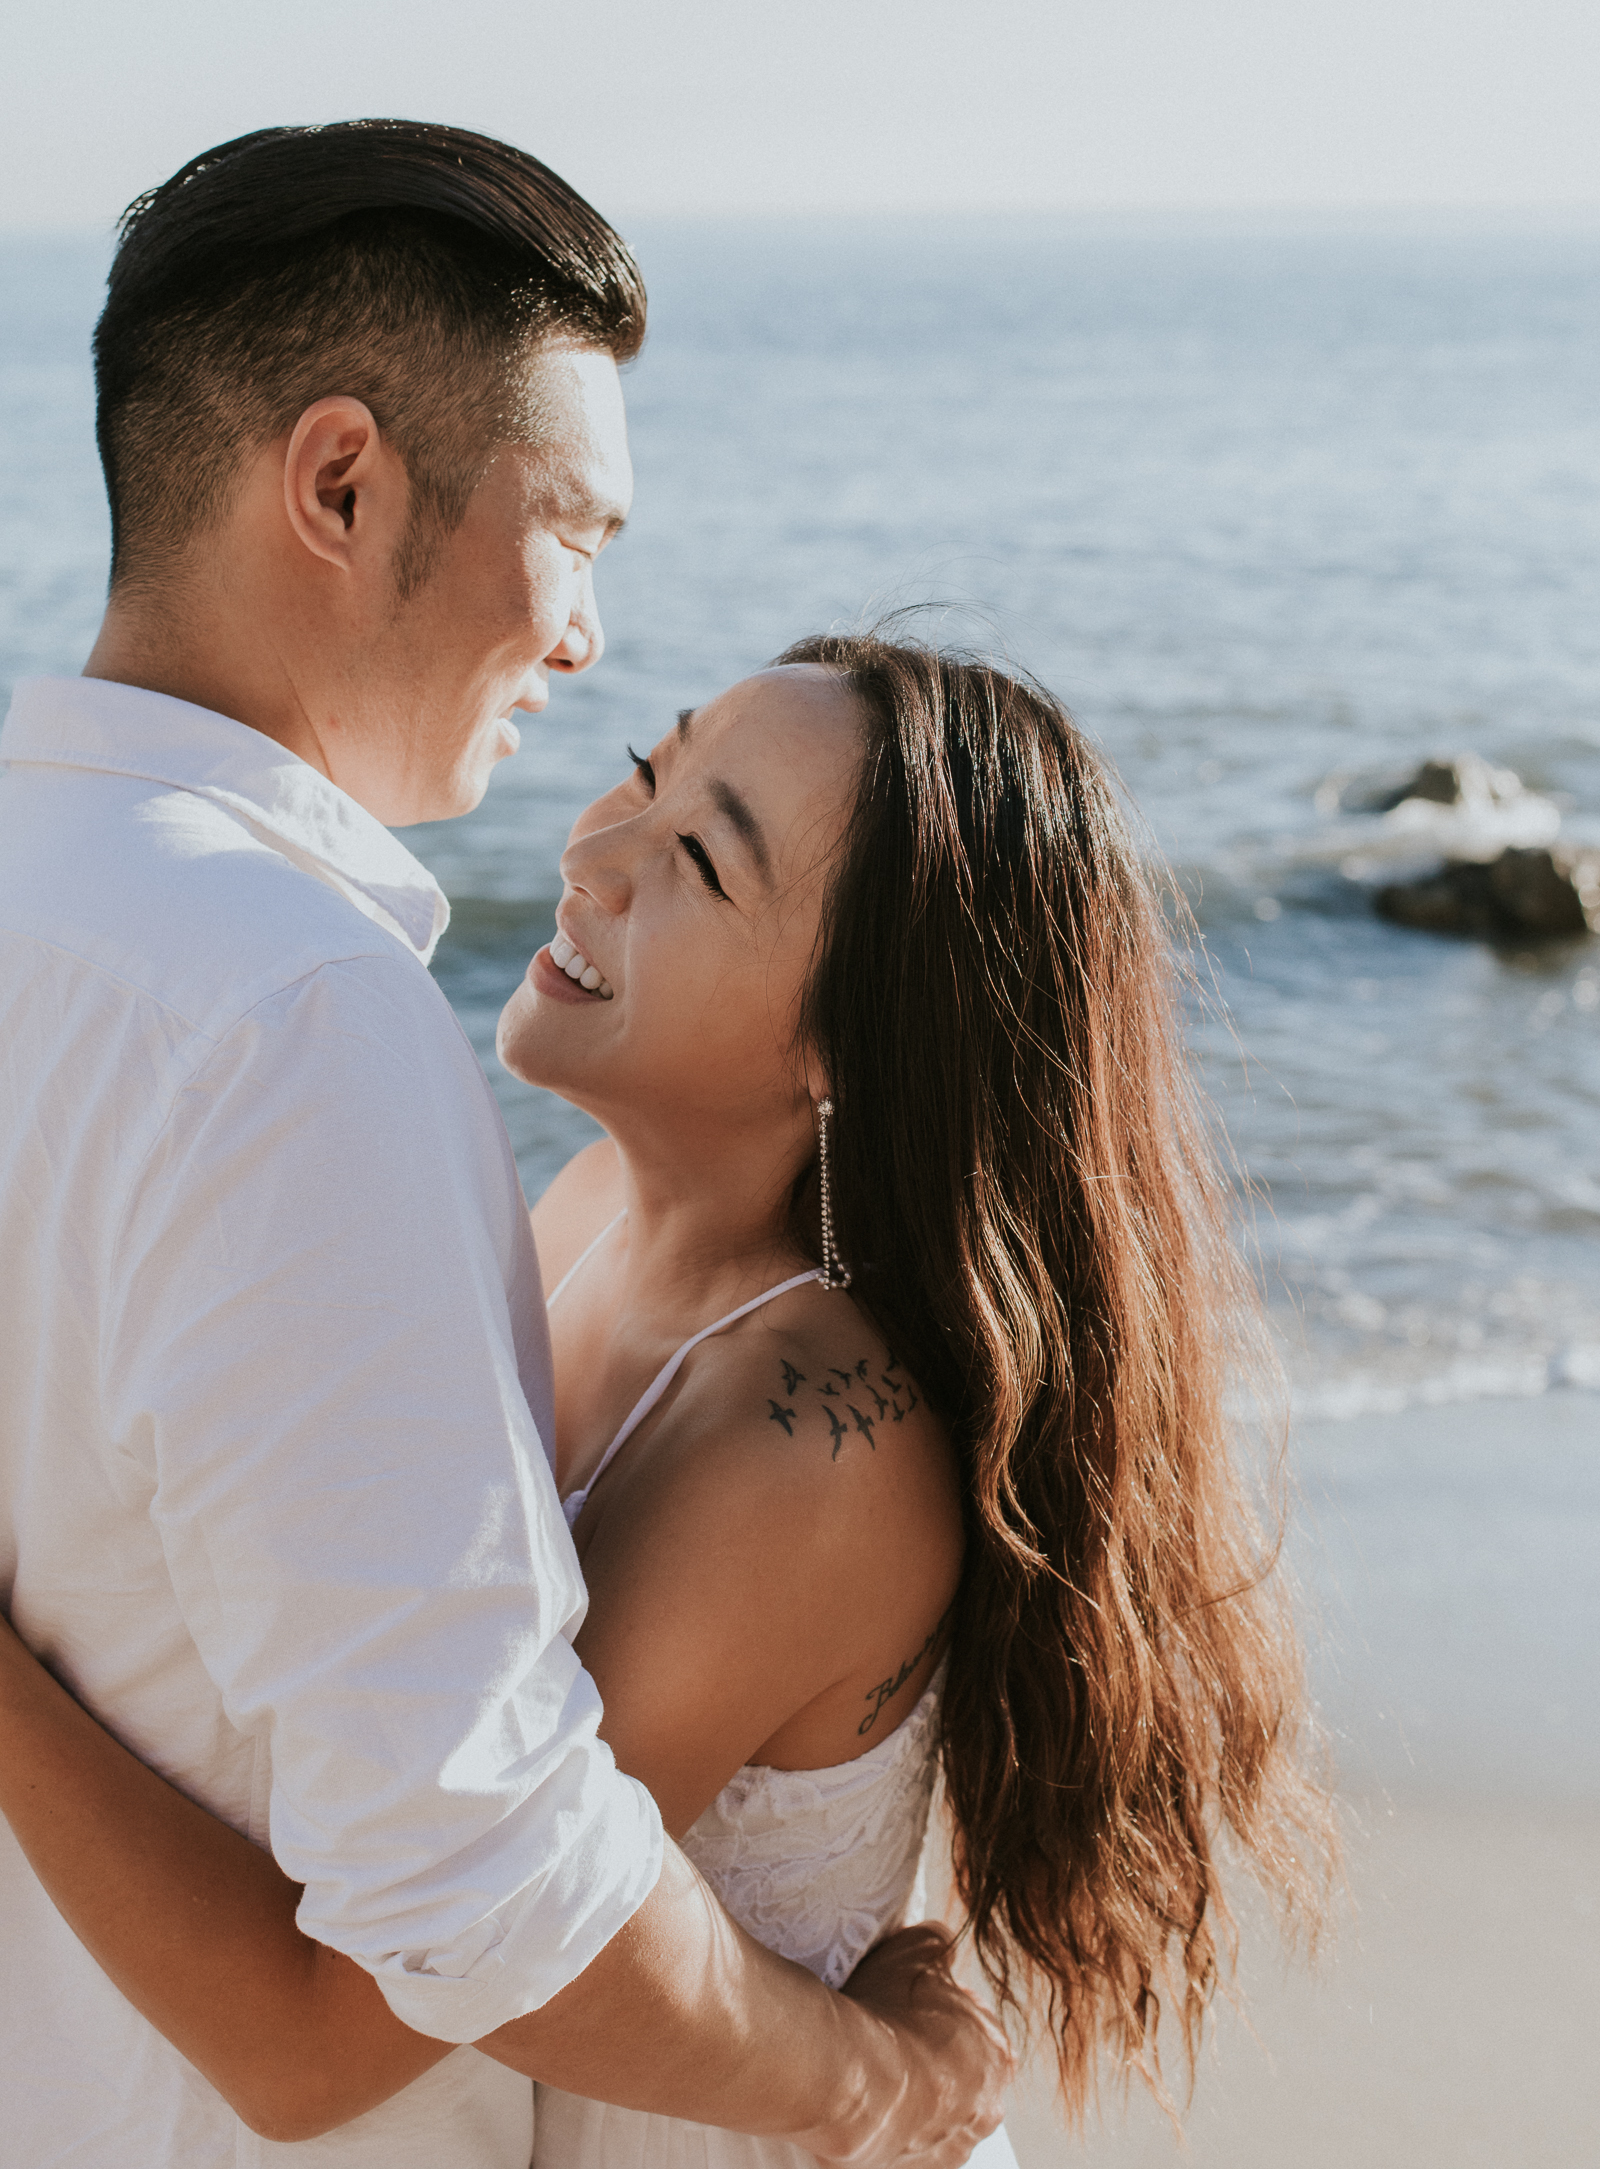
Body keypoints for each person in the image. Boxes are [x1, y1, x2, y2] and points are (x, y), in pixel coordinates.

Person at [0, 124, 1010, 2167]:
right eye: (580, 533)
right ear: (344, 482)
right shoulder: (293, 1018)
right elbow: (451, 1918)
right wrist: (877, 2083)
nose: (581, 642)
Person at [0, 629, 1335, 2160]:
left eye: (700, 857)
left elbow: (315, 2040)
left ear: (847, 1046)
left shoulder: (809, 1450)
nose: (595, 849)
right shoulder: (578, 1218)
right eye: (647, 770)